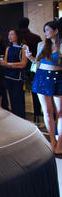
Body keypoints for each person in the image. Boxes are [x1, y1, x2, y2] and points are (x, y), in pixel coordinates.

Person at [27, 21, 62, 153]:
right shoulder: (41, 44)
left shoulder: (61, 45)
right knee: (47, 113)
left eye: (47, 30)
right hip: (42, 77)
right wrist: (30, 57)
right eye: (45, 30)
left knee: (60, 112)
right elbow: (36, 62)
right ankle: (52, 141)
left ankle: (60, 143)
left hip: (58, 77)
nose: (45, 33)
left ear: (56, 31)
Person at [19, 17, 43, 123]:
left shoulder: (18, 38)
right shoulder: (36, 38)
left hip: (19, 69)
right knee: (35, 94)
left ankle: (20, 115)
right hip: (32, 69)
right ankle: (37, 116)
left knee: (19, 94)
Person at [0, 29, 28, 118]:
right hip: (8, 76)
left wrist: (9, 64)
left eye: (12, 34)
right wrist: (5, 63)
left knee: (18, 99)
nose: (9, 36)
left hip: (18, 77)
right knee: (11, 98)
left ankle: (21, 118)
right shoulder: (8, 48)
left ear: (17, 36)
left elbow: (23, 63)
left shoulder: (23, 47)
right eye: (9, 34)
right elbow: (5, 61)